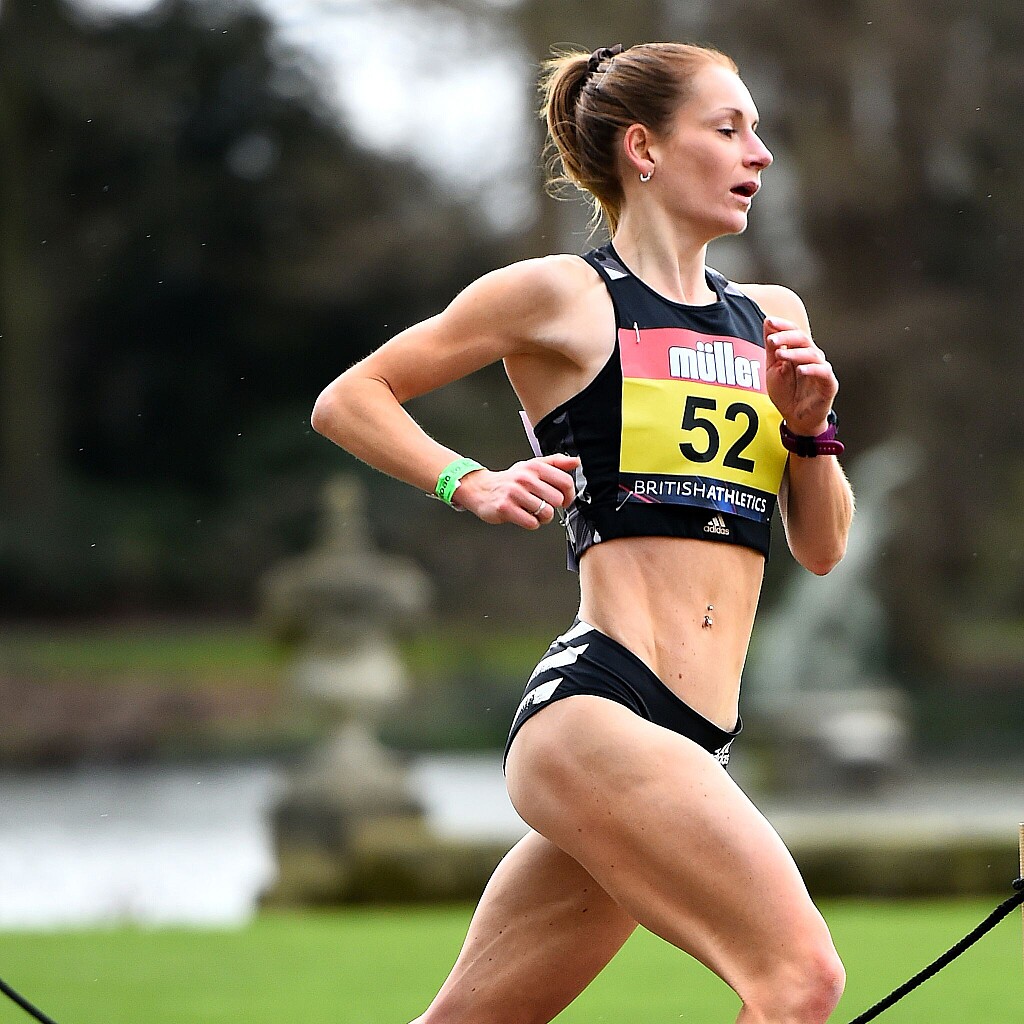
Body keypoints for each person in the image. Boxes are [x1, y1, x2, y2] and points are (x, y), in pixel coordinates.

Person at [312, 40, 854, 1024]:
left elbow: (820, 549)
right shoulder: (560, 294)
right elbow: (352, 397)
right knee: (800, 980)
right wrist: (469, 481)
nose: (759, 152)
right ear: (644, 149)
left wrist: (810, 428)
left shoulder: (770, 317)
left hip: (693, 740)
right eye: (728, 128)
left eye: (758, 130)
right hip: (599, 710)